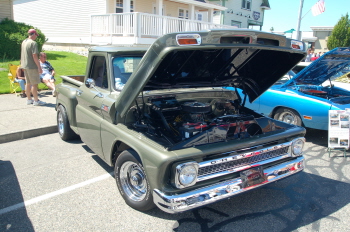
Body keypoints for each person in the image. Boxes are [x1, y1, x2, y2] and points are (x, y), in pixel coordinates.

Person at [20, 29, 46, 106]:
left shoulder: (24, 42)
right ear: (33, 34)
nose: (36, 37)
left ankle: (29, 99)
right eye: (36, 35)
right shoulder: (33, 43)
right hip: (32, 66)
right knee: (34, 84)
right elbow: (34, 56)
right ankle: (36, 100)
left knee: (28, 83)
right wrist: (39, 67)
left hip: (25, 65)